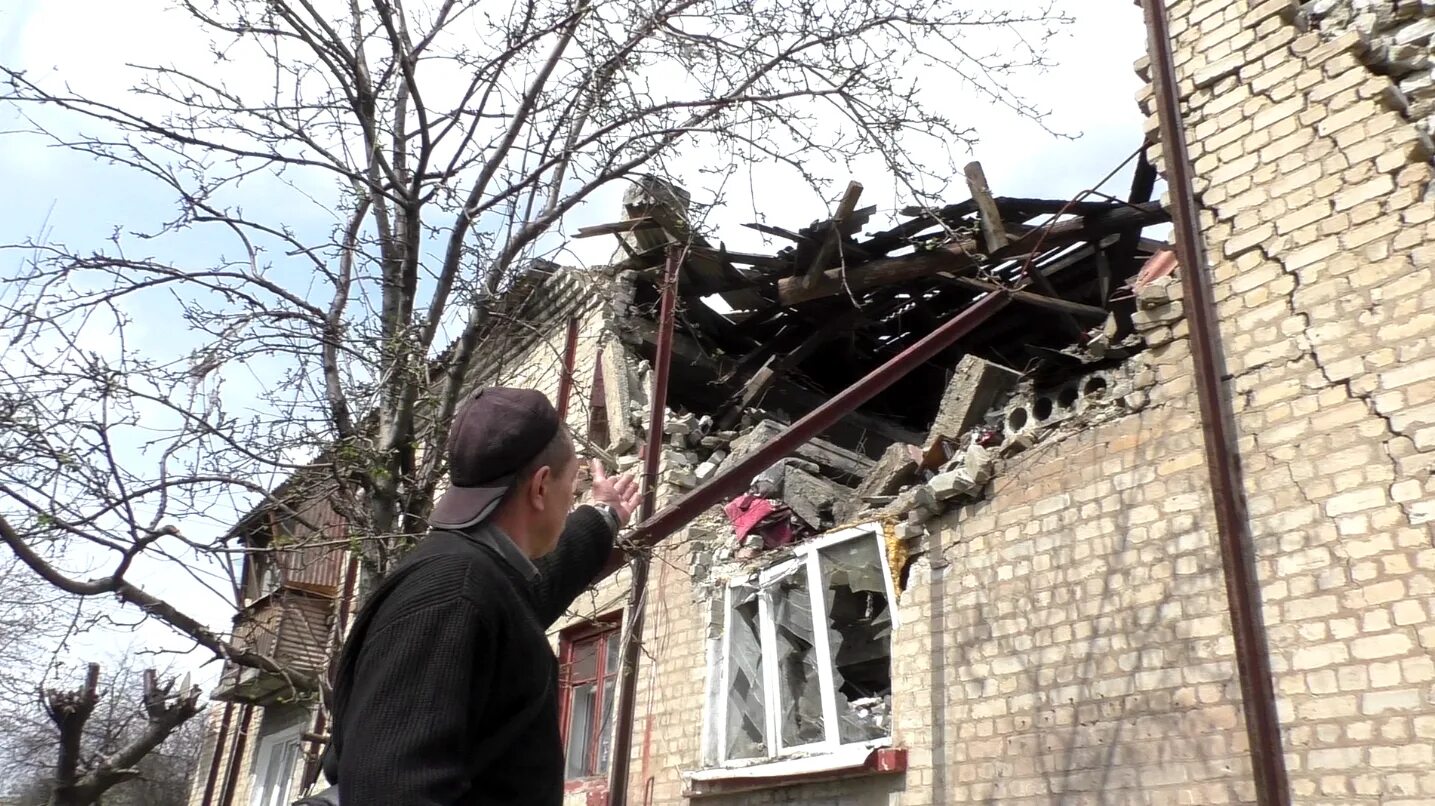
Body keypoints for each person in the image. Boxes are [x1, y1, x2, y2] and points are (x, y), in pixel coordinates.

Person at [318, 387, 640, 805]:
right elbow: (396, 792)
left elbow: (536, 586)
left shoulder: (476, 578)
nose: (572, 497)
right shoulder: (452, 594)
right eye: (573, 482)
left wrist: (605, 516)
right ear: (541, 487)